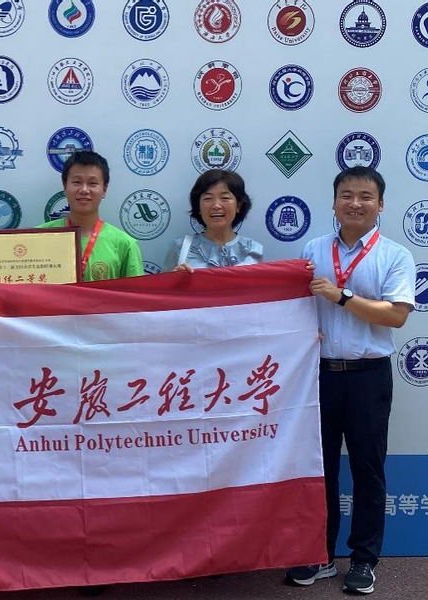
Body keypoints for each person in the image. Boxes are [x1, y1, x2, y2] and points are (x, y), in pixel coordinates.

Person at [286, 167, 415, 595]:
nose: (355, 203)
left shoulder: (395, 255)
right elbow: (299, 307)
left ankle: (363, 559)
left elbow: (396, 315)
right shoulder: (313, 249)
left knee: (367, 469)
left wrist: (341, 296)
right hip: (320, 375)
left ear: (380, 204)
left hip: (368, 378)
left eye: (365, 196)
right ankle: (319, 555)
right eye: (346, 195)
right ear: (334, 201)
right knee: (319, 469)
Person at [38, 150, 144, 281]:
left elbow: (136, 292)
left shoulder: (125, 244)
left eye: (92, 183)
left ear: (104, 190)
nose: (84, 190)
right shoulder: (39, 237)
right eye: (77, 182)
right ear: (65, 187)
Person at [165, 169, 262, 272]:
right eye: (208, 198)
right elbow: (163, 282)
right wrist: (175, 278)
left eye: (225, 198)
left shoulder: (253, 249)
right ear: (198, 207)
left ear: (238, 205)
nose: (216, 205)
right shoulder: (180, 247)